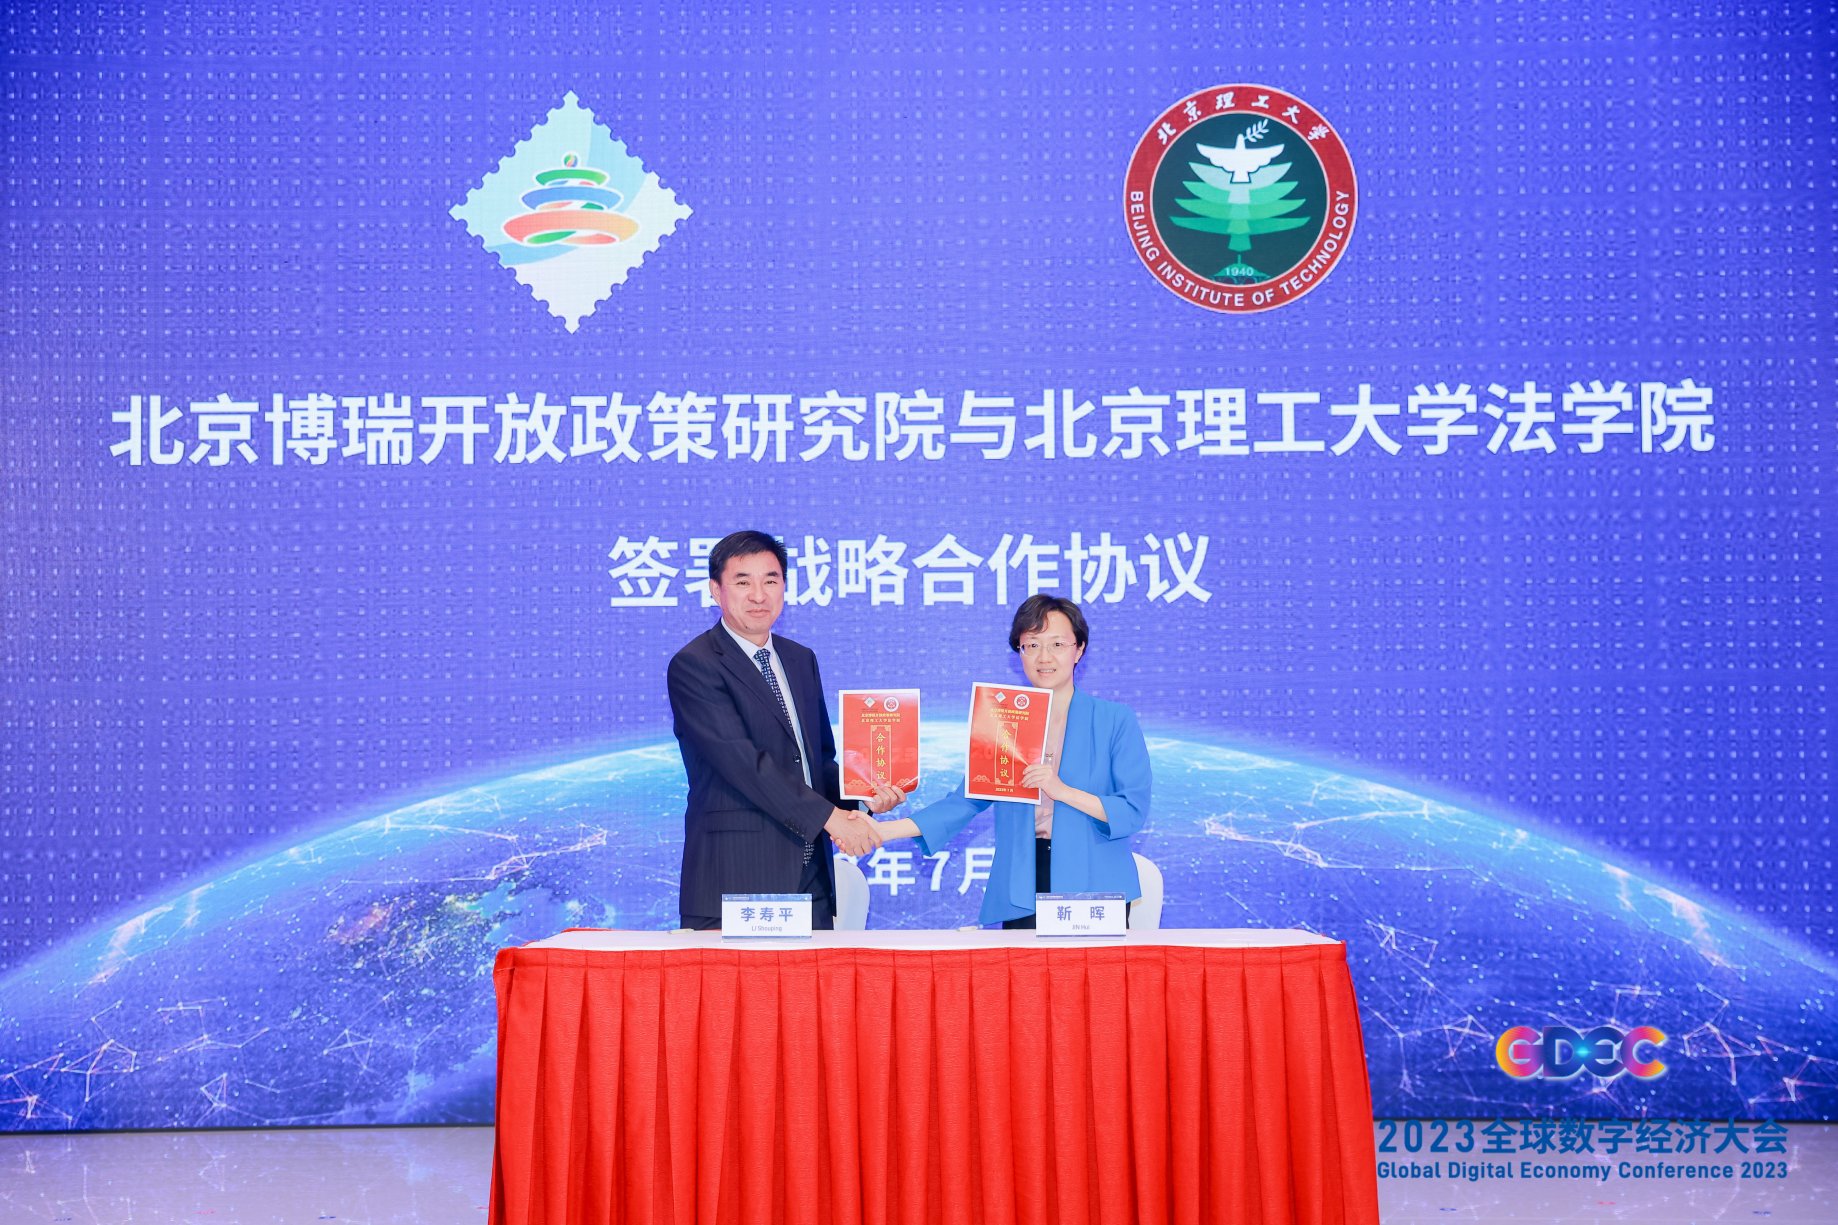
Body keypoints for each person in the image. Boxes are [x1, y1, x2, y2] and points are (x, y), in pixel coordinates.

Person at [666, 530, 903, 930]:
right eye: (743, 582)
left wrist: (863, 795)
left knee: (813, 976)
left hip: (811, 877)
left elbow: (815, 763)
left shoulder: (799, 659)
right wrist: (832, 819)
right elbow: (743, 765)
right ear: (715, 590)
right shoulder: (695, 665)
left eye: (771, 580)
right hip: (737, 878)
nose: (759, 595)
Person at [871, 594, 1150, 927]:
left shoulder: (1114, 720)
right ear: (1020, 652)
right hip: (1022, 883)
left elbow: (1131, 810)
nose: (1044, 657)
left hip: (1095, 881)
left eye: (1057, 644)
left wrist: (1062, 791)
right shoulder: (1005, 723)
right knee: (1021, 964)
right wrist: (880, 831)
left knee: (1089, 966)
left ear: (1079, 650)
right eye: (1031, 645)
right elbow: (963, 802)